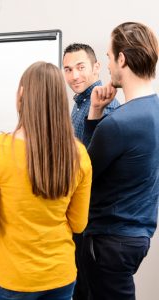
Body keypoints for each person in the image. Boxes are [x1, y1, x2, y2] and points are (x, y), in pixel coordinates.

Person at [0, 61, 93, 300]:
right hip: (61, 276)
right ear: (60, 100)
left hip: (13, 278)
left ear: (22, 94)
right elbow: (78, 225)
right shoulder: (79, 155)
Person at [81, 22, 159, 300]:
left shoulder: (119, 123)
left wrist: (94, 115)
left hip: (109, 241)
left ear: (122, 59)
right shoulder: (153, 111)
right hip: (138, 236)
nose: (109, 64)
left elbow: (83, 174)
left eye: (109, 57)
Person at [62, 43, 120, 300]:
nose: (74, 75)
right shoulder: (80, 103)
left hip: (93, 217)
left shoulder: (102, 103)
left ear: (96, 67)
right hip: (81, 215)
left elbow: (96, 165)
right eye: (68, 69)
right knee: (80, 286)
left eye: (81, 67)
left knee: (88, 289)